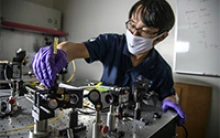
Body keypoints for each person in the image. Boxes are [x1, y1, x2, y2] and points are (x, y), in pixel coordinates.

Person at [32, 0, 186, 126]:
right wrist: (59, 51)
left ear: (161, 37)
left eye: (144, 30)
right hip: (100, 113)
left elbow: (168, 94)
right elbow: (76, 49)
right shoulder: (112, 43)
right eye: (132, 25)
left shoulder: (161, 68)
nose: (134, 34)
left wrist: (171, 104)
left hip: (136, 123)